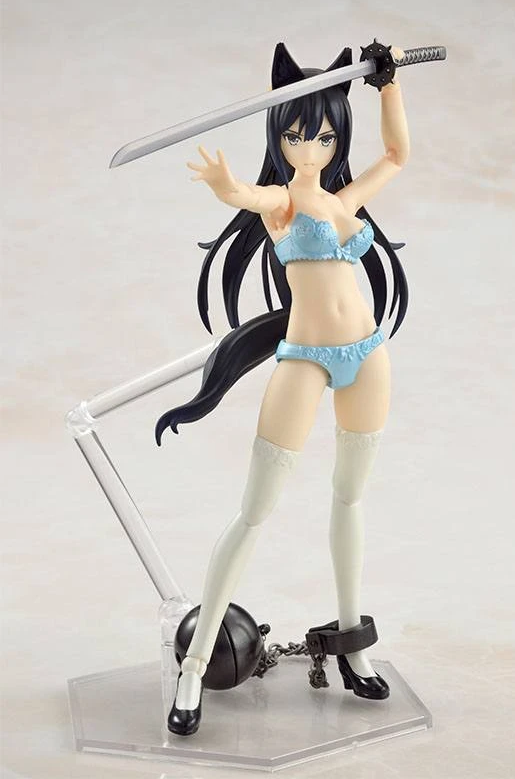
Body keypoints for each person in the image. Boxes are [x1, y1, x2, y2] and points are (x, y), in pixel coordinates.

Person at [156, 42, 410, 736]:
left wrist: (388, 85)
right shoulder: (283, 203)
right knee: (254, 512)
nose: (310, 146)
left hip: (368, 356)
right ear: (278, 135)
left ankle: (353, 644)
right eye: (297, 134)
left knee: (350, 498)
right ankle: (194, 665)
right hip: (304, 359)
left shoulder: (343, 199)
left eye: (324, 135)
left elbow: (396, 156)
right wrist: (224, 185)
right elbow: (249, 195)